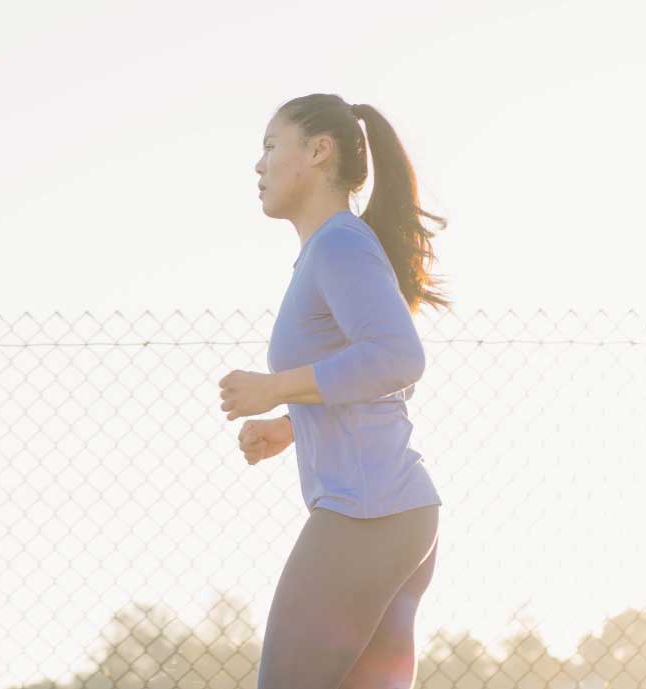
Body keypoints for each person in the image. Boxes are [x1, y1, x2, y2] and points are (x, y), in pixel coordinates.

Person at [216, 93, 451, 689]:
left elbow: (398, 358)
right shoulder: (333, 248)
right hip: (393, 513)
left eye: (271, 146)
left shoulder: (341, 244)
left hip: (366, 515)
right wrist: (293, 423)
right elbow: (374, 378)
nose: (259, 165)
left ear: (319, 152)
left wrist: (277, 388)